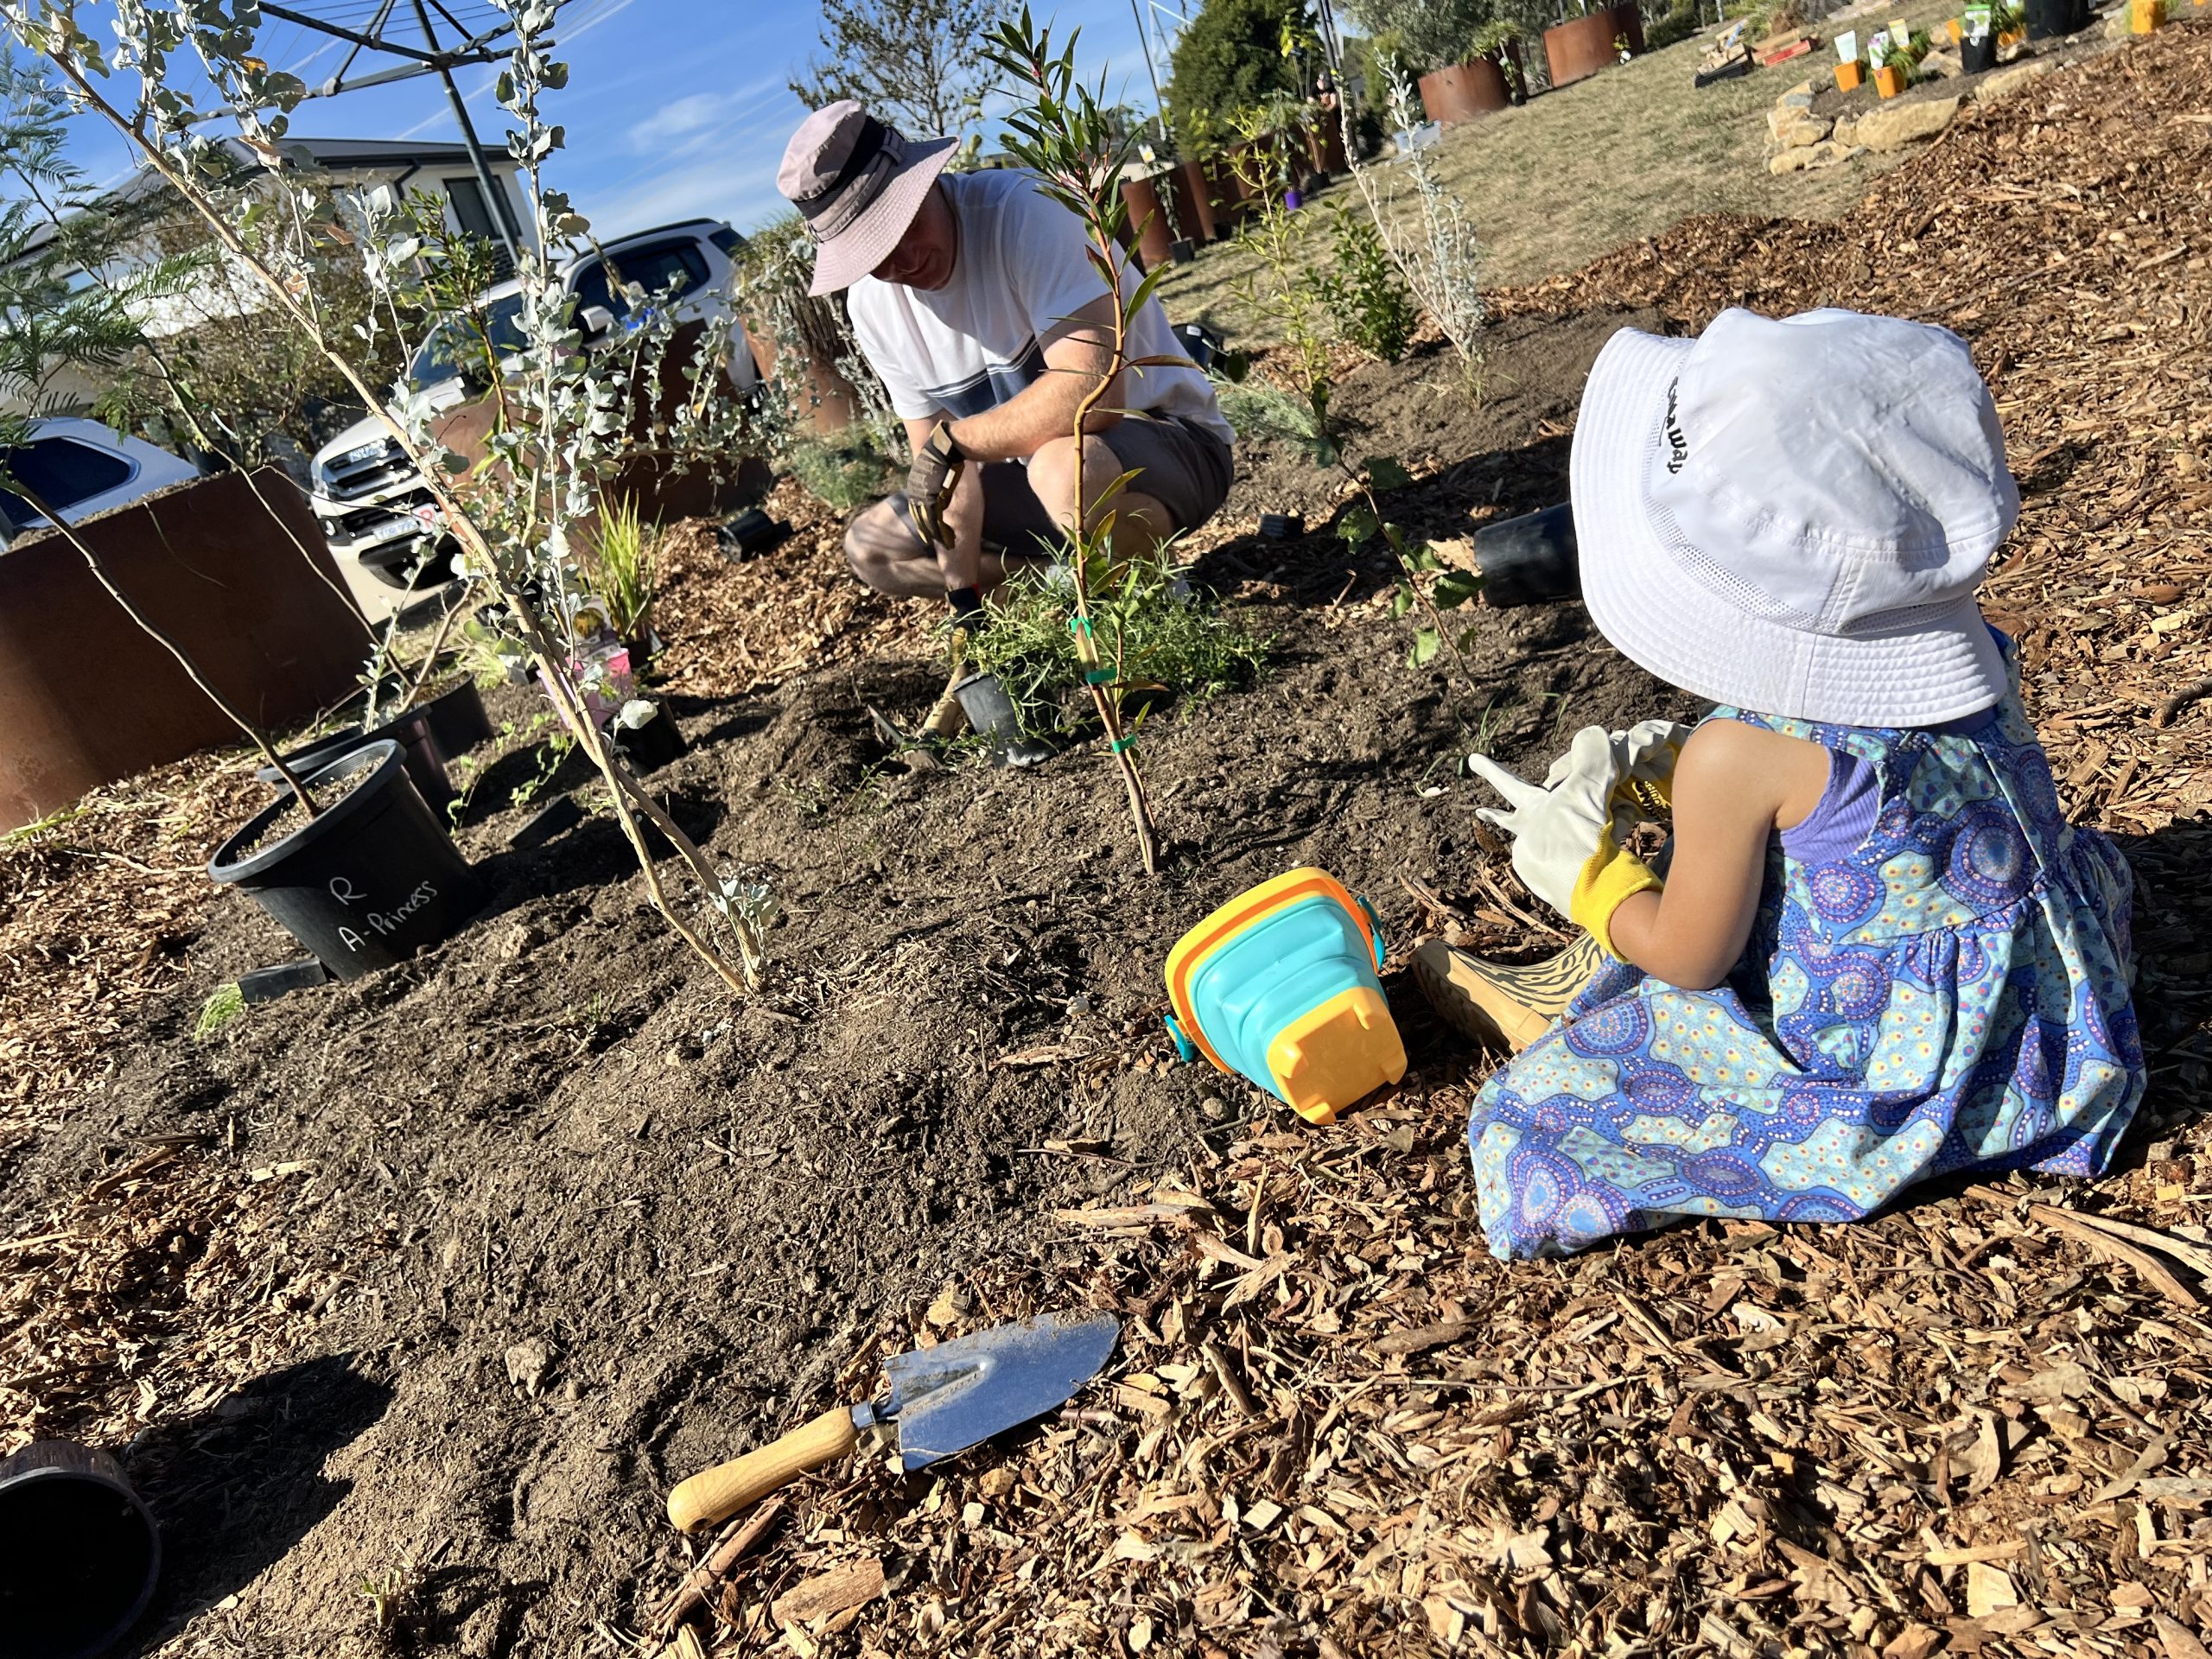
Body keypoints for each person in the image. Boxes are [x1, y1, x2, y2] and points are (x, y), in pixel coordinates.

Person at [1421, 307, 2144, 1261]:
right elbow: (1864, 791)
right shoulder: (1973, 653)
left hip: (1910, 1061)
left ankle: (1562, 1008)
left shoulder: (1737, 757)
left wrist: (1589, 878)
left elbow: (1689, 957)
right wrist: (1691, 766)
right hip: (2055, 1019)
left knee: (1532, 1114)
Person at [774, 101, 1235, 637]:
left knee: (1063, 469)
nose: (901, 262)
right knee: (873, 548)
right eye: (872, 256)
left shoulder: (1028, 213)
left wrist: (956, 441)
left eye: (902, 227)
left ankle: (1153, 612)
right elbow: (944, 477)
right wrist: (964, 604)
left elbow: (1093, 397)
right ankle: (1065, 582)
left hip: (1169, 445)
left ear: (926, 181)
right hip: (1038, 486)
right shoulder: (873, 307)